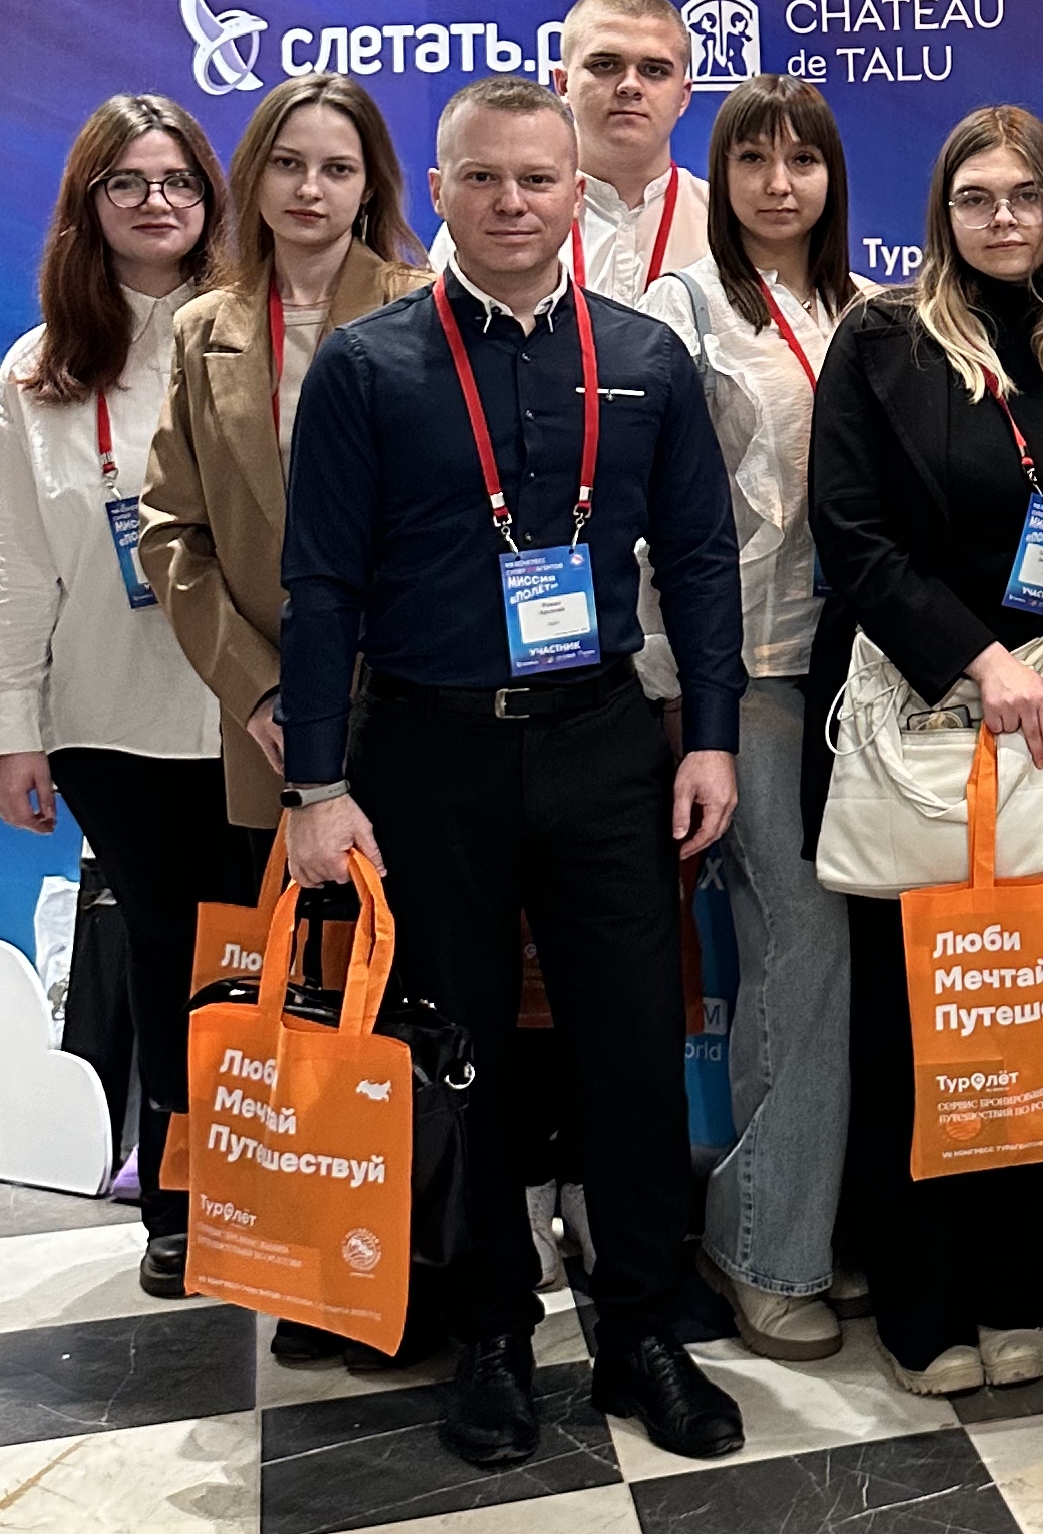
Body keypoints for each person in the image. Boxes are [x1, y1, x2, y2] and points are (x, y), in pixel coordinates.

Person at [276, 75, 747, 1469]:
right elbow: (319, 587)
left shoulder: (646, 358)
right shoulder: (366, 366)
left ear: (574, 191)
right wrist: (315, 786)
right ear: (437, 190)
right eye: (481, 177)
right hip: (427, 753)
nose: (511, 202)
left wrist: (711, 734)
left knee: (630, 1049)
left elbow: (701, 559)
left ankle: (642, 1325)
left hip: (604, 743)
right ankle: (487, 1329)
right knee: (457, 1049)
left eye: (537, 178)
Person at [803, 102, 1043, 1397]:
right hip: (929, 718)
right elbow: (851, 532)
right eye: (975, 197)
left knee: (1036, 1006)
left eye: (1023, 196)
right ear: (942, 214)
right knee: (916, 1016)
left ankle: (1023, 1281)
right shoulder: (883, 339)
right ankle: (921, 1299)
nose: (1001, 218)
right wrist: (978, 661)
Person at [139, 71, 429, 1369]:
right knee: (307, 991)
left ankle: (416, 1263)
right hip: (268, 722)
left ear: (373, 184)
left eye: (339, 166)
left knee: (418, 986)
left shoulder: (424, 305)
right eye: (289, 163)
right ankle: (317, 1263)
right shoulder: (203, 328)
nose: (311, 189)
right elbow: (171, 534)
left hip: (414, 706)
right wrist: (262, 690)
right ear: (251, 178)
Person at [0, 96, 253, 1300]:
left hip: (259, 706)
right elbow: (16, 567)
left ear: (212, 197)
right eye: (128, 182)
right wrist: (16, 729)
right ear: (87, 203)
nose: (158, 202)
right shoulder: (36, 371)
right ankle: (181, 1199)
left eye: (179, 180)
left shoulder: (258, 332)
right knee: (165, 952)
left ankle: (287, 1185)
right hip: (112, 717)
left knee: (272, 953)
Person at [638, 75, 860, 1364]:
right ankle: (763, 1245)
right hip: (747, 675)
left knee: (844, 960)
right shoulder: (678, 310)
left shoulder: (864, 307)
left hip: (862, 678)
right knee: (796, 949)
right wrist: (684, 690)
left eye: (803, 160)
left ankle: (819, 1217)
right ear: (716, 180)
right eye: (753, 161)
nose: (780, 184)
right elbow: (653, 516)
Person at [429, 0, 709, 304]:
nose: (630, 85)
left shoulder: (725, 225)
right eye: (605, 65)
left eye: (654, 70)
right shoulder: (492, 225)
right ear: (563, 84)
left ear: (683, 96)